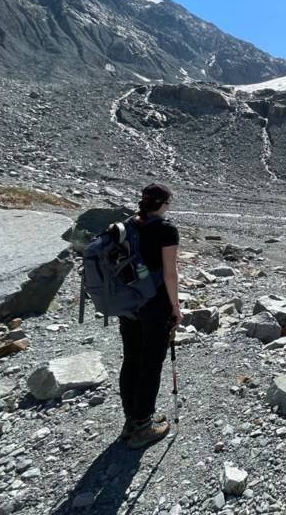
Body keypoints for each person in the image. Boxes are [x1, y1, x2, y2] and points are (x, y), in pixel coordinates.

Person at [118, 182, 182, 449]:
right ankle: (144, 424)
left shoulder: (129, 224)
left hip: (128, 304)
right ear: (164, 203)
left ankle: (131, 419)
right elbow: (170, 272)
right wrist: (176, 306)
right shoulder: (166, 230)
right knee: (151, 362)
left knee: (131, 358)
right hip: (154, 305)